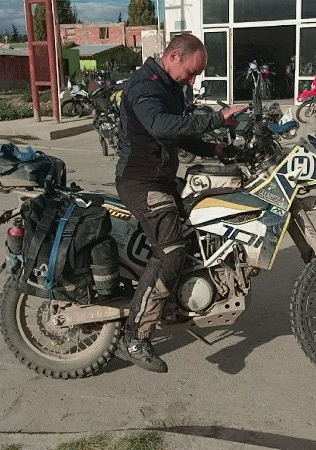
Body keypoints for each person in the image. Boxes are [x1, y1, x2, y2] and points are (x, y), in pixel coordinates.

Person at [114, 34, 247, 373]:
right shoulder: (143, 86)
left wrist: (216, 149)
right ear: (174, 56)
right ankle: (134, 337)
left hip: (161, 179)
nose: (193, 80)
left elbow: (179, 133)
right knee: (171, 253)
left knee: (200, 227)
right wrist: (217, 118)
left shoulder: (170, 87)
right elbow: (160, 126)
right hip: (142, 183)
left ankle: (184, 296)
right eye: (192, 72)